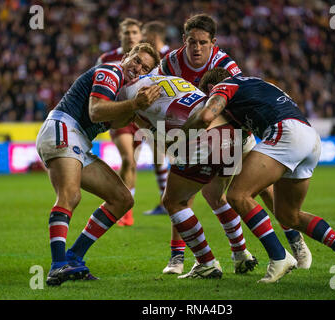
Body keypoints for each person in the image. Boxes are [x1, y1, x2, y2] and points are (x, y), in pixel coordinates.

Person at [183, 68, 335, 283]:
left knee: (238, 195)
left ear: (209, 88)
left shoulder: (224, 86)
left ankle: (279, 256)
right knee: (289, 215)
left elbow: (207, 115)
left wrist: (180, 133)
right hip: (309, 137)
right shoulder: (257, 83)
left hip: (285, 133)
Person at [158, 13, 311, 275]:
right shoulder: (170, 63)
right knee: (192, 192)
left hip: (235, 130)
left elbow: (242, 101)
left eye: (203, 43)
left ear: (213, 43)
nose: (196, 48)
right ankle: (184, 256)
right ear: (184, 40)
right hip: (195, 134)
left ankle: (294, 240)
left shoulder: (226, 65)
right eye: (192, 42)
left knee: (262, 189)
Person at [36, 43, 161, 286]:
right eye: (136, 60)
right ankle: (57, 265)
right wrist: (135, 105)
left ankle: (73, 257)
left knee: (122, 198)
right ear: (126, 57)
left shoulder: (125, 92)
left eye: (145, 68)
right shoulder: (110, 72)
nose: (137, 68)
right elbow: (95, 111)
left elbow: (121, 120)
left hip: (78, 140)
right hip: (64, 127)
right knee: (70, 196)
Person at [116, 74, 259, 278]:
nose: (136, 68)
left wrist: (129, 108)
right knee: (215, 196)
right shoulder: (171, 78)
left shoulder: (132, 89)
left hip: (204, 135)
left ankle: (206, 262)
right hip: (231, 131)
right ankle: (241, 253)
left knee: (173, 202)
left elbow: (118, 119)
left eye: (140, 63)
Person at [97, 18, 144, 226]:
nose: (131, 36)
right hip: (118, 113)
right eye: (127, 33)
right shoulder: (107, 58)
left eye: (134, 32)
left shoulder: (147, 59)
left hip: (140, 116)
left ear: (140, 35)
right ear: (121, 35)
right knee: (128, 159)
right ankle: (124, 209)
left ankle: (127, 207)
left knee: (133, 163)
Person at [140, 20, 172, 215]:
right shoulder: (155, 57)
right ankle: (165, 200)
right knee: (158, 155)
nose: (143, 39)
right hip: (155, 113)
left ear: (154, 36)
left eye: (145, 35)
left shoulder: (170, 57)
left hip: (168, 113)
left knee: (166, 156)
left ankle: (169, 201)